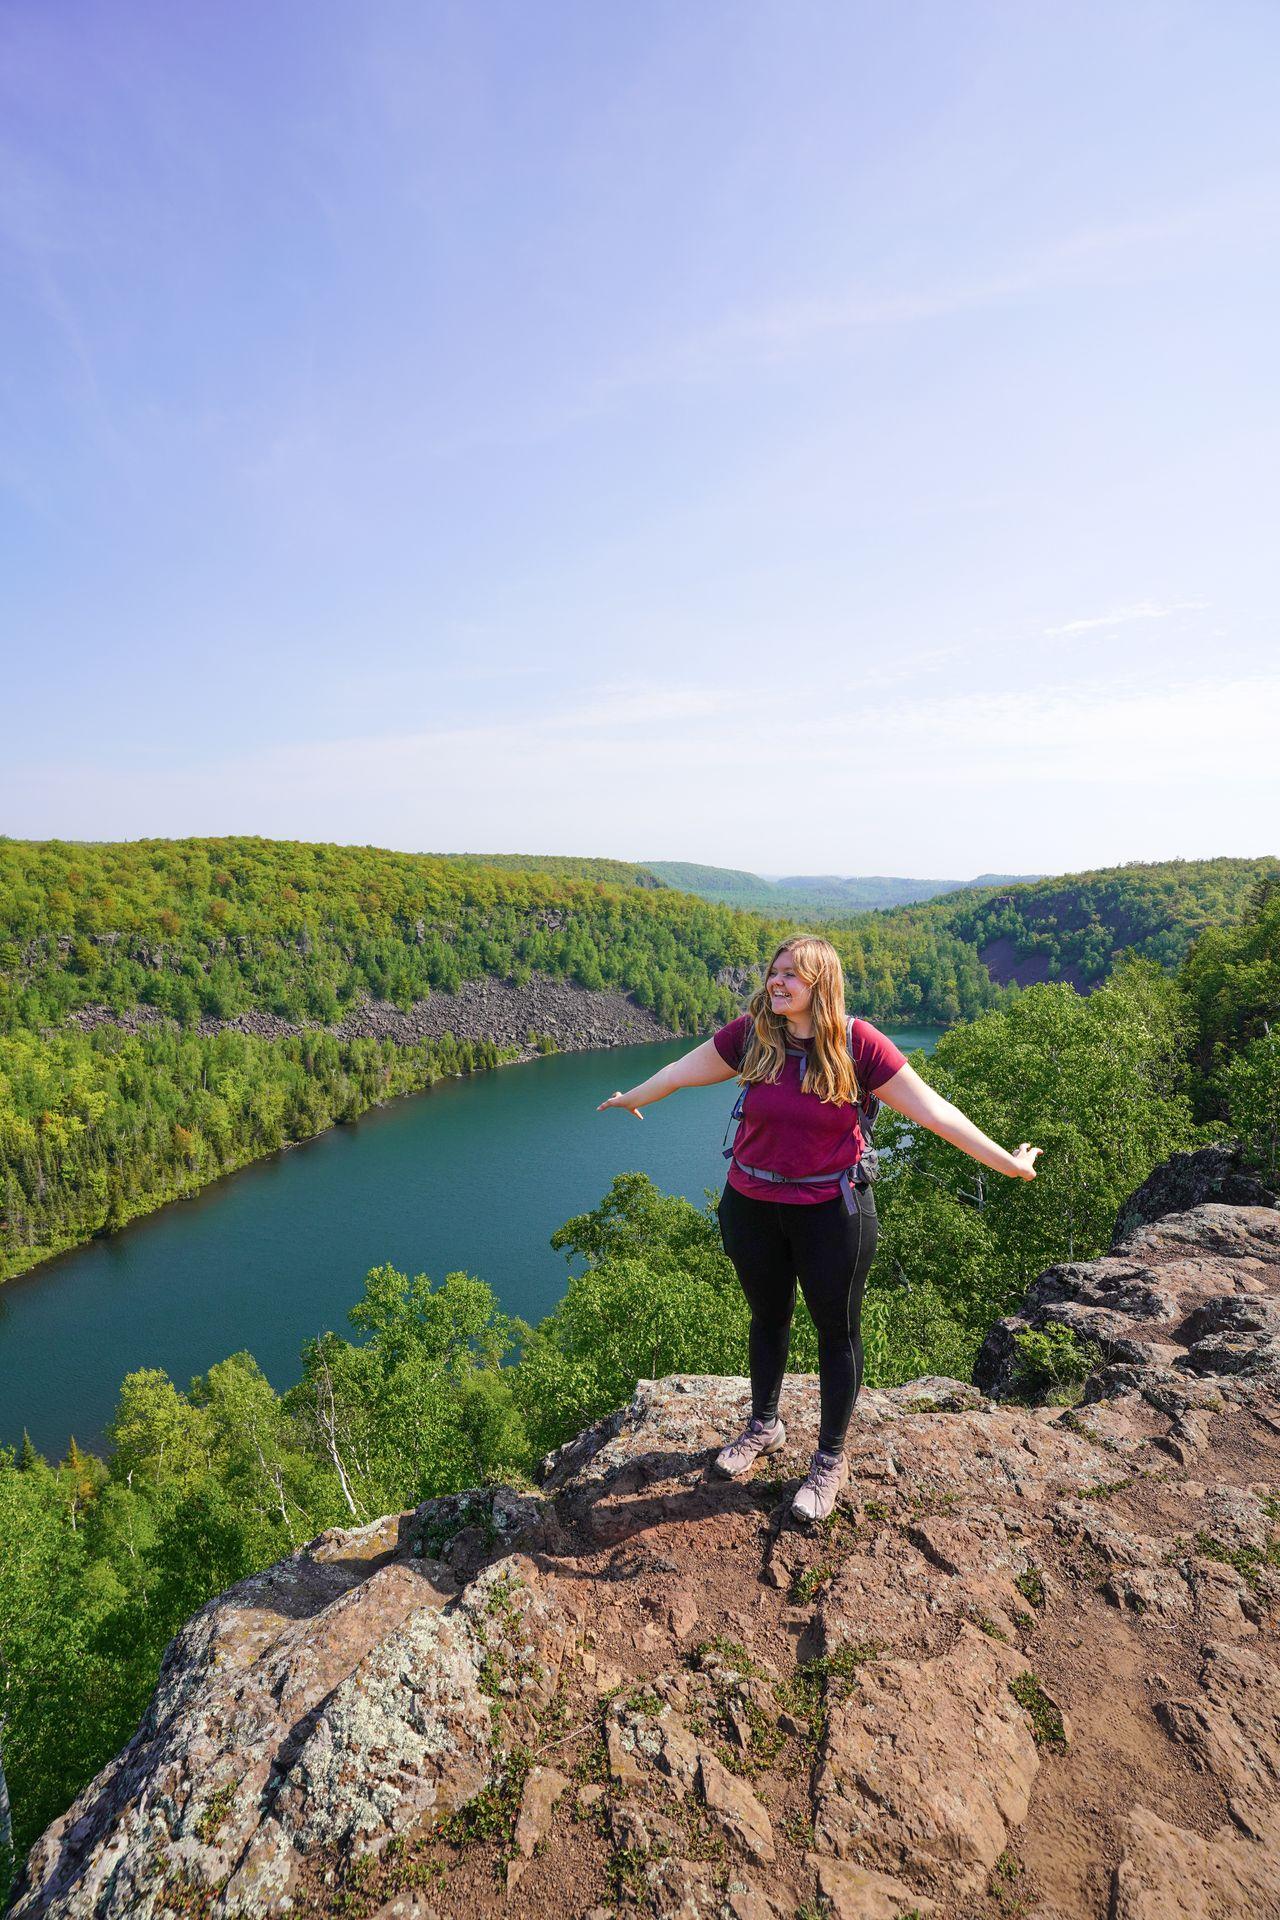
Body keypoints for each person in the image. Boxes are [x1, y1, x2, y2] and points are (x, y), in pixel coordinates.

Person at [598, 934, 1042, 1524]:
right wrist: (633, 1096)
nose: (776, 983)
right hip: (751, 1203)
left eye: (791, 975)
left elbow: (935, 1113)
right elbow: (682, 1070)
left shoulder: (859, 1046)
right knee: (768, 1316)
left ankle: (830, 1459)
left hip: (833, 1212)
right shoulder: (754, 1034)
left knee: (836, 1332)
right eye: (774, 972)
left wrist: (1008, 1163)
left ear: (821, 984)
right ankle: (764, 1426)